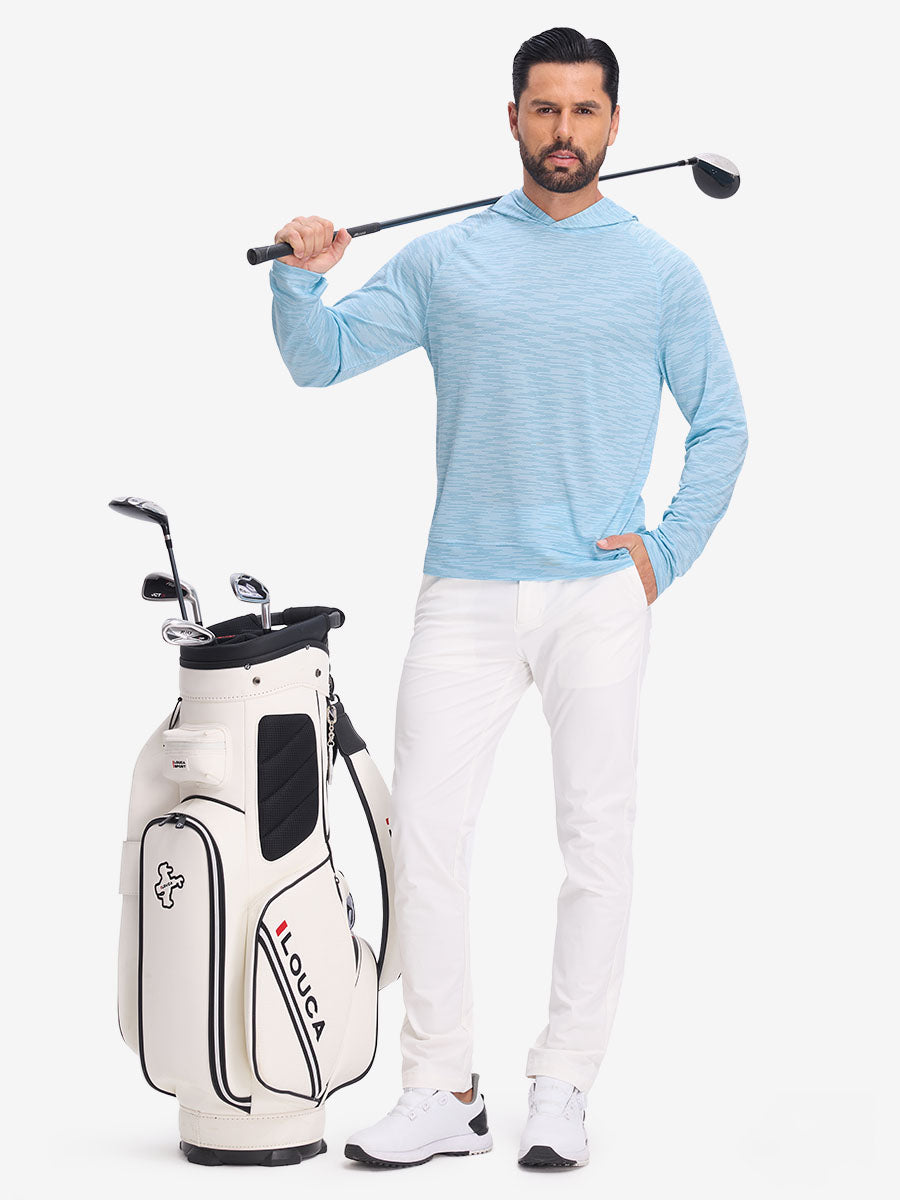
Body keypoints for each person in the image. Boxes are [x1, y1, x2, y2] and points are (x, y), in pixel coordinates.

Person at [269, 25, 748, 1171]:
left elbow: (723, 425)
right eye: (545, 108)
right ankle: (442, 1087)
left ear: (614, 123)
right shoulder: (450, 260)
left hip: (600, 595)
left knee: (596, 843)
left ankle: (564, 1083)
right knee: (426, 835)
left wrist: (665, 553)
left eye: (584, 110)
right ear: (513, 118)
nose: (564, 130)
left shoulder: (660, 271)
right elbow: (320, 358)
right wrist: (301, 276)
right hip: (466, 592)